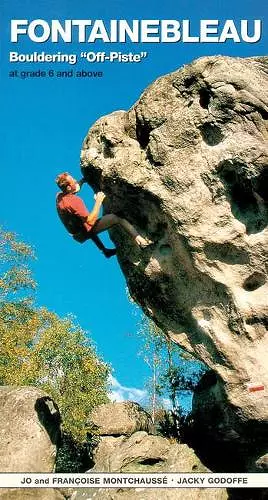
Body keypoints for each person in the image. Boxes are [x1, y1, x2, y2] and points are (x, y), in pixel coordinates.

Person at [55, 172, 152, 258]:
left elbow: (75, 189)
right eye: (73, 181)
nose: (75, 180)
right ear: (68, 187)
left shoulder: (60, 196)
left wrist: (83, 181)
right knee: (117, 218)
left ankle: (105, 251)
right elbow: (90, 221)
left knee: (84, 225)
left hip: (76, 234)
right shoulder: (75, 202)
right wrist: (98, 201)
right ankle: (141, 241)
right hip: (82, 232)